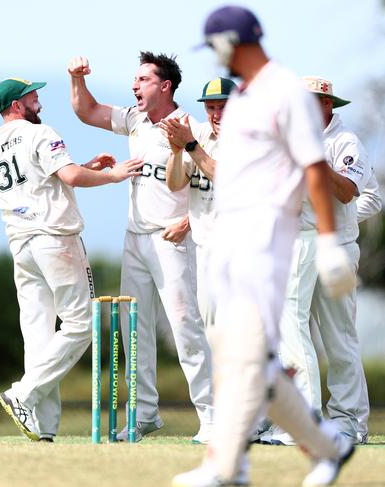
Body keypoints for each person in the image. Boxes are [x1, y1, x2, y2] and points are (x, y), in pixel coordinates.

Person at [172, 6, 356, 487]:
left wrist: (333, 244)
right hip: (230, 238)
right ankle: (329, 446)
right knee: (244, 355)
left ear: (232, 42)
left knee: (248, 352)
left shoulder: (284, 91)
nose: (214, 56)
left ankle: (226, 467)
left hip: (271, 237)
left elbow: (314, 166)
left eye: (215, 45)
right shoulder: (245, 98)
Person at [68, 52, 214, 443]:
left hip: (173, 239)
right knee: (135, 332)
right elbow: (88, 111)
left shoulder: (189, 125)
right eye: (135, 79)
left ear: (165, 86)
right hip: (135, 238)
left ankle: (213, 417)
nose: (135, 86)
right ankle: (145, 414)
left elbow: (208, 184)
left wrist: (188, 221)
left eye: (143, 80)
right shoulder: (134, 118)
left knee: (186, 329)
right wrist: (76, 78)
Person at [0, 77, 143, 442]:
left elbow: (51, 180)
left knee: (38, 335)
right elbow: (70, 175)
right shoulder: (40, 134)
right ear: (16, 106)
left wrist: (86, 165)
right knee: (80, 324)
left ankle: (42, 428)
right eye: (32, 98)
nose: (38, 102)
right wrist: (111, 175)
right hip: (55, 240)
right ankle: (22, 395)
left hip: (22, 246)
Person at [267, 76, 377, 447]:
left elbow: (348, 191)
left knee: (338, 337)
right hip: (299, 244)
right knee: (295, 331)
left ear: (327, 104)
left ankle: (349, 422)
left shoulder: (345, 142)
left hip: (337, 248)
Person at [163, 77, 237, 329]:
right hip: (205, 247)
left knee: (238, 327)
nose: (216, 115)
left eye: (223, 107)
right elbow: (174, 184)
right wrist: (175, 152)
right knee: (209, 325)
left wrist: (191, 145)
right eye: (210, 108)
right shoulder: (201, 135)